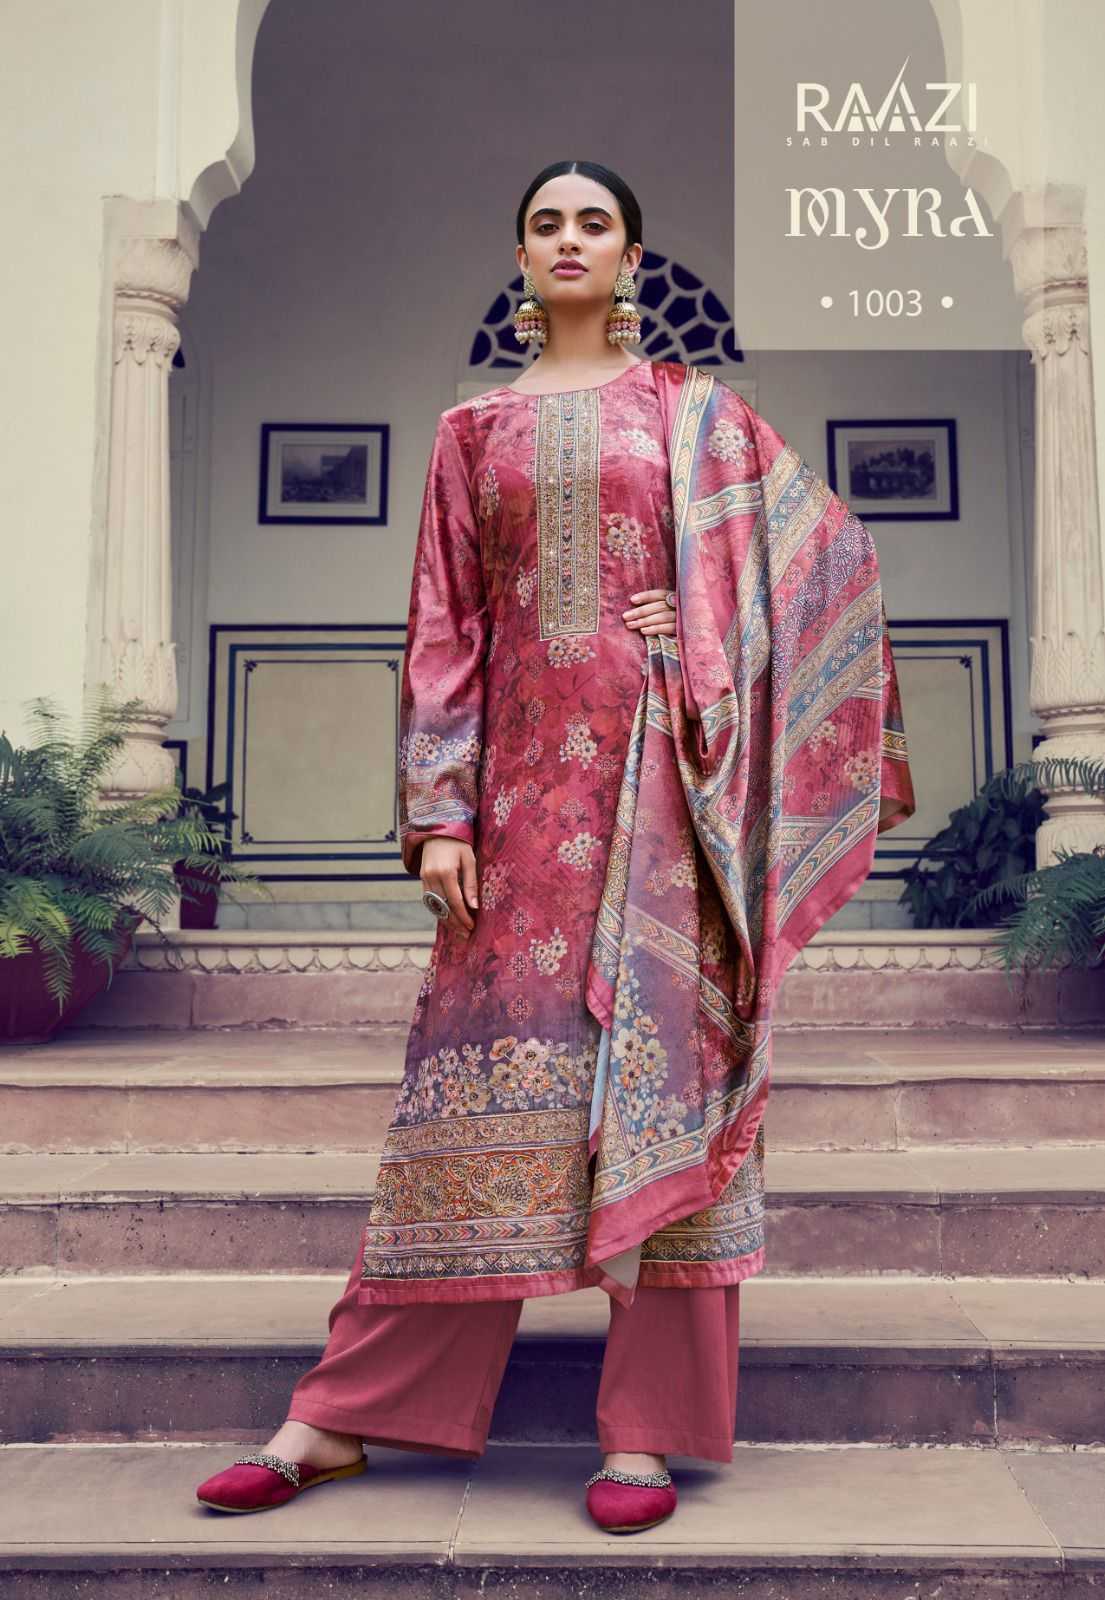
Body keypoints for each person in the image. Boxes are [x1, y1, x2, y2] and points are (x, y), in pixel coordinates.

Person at [196, 160, 915, 1533]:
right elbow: (446, 626)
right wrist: (439, 812)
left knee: (667, 1094)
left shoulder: (698, 414)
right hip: (521, 818)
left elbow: (827, 560)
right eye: (546, 224)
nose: (569, 240)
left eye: (594, 223)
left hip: (667, 807)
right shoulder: (471, 431)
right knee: (464, 1108)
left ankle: (646, 1435)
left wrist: (699, 628)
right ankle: (337, 1418)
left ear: (632, 256)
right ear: (520, 258)